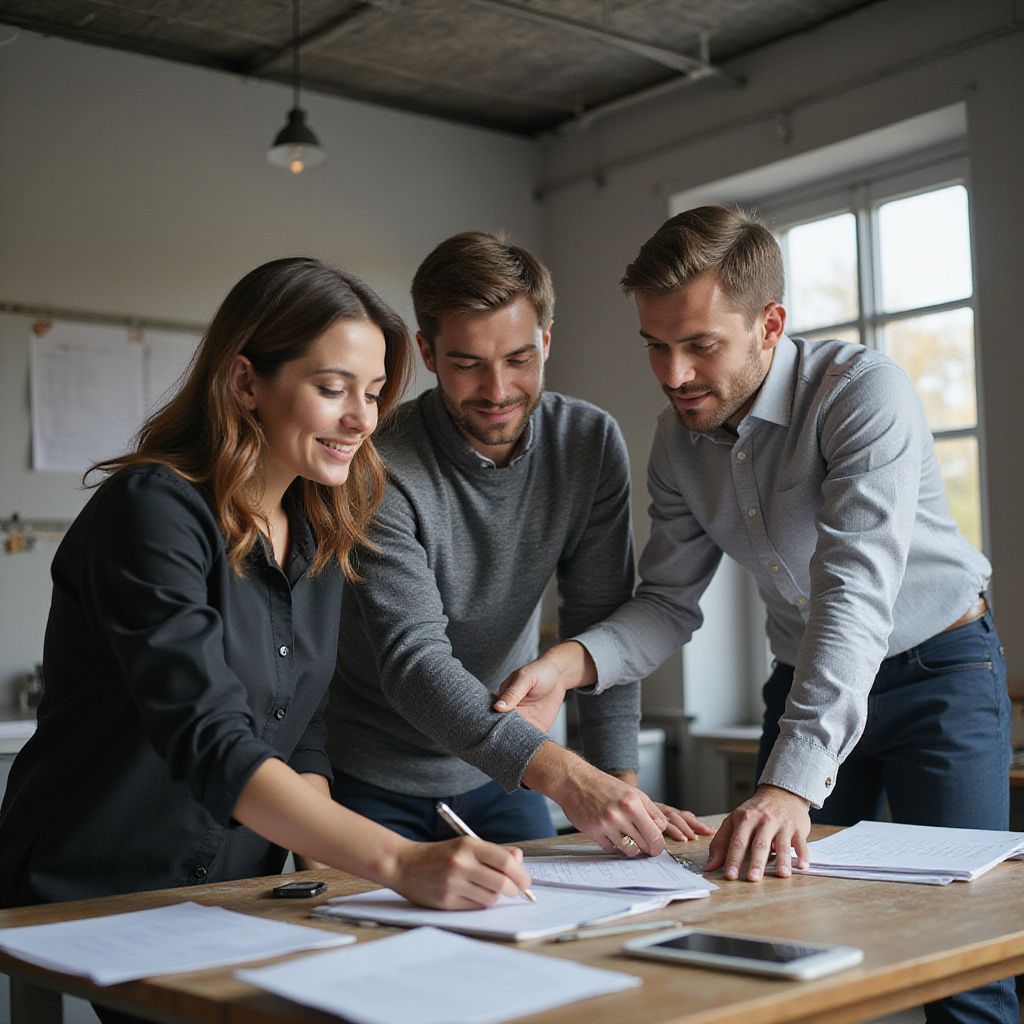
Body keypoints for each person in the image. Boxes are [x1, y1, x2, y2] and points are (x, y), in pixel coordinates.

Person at [494, 206, 1014, 1023]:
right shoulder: (675, 439)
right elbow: (667, 602)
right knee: (781, 930)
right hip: (801, 677)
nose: (673, 374)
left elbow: (852, 595)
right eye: (656, 346)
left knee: (963, 958)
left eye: (700, 345)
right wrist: (571, 664)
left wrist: (788, 786)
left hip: (936, 677)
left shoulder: (862, 393)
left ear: (770, 325)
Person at [0, 257, 532, 927]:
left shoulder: (320, 528)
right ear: (246, 381)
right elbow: (208, 733)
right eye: (334, 388)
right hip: (91, 891)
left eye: (372, 393)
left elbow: (301, 728)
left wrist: (329, 863)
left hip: (228, 894)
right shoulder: (152, 510)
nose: (362, 419)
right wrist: (397, 861)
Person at [326, 231, 712, 855]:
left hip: (508, 777)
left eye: (519, 359)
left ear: (547, 342)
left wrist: (618, 793)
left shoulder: (586, 442)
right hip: (373, 779)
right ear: (426, 352)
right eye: (467, 363)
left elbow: (600, 626)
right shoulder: (378, 460)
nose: (498, 389)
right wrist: (566, 776)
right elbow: (413, 663)